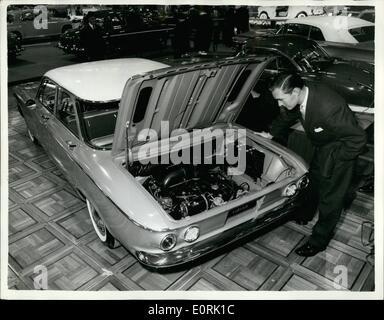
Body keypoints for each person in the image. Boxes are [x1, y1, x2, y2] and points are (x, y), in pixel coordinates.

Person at [256, 73, 367, 257]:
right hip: (324, 147)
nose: (279, 104)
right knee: (313, 181)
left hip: (339, 153)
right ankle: (304, 215)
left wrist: (337, 159)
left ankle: (319, 241)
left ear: (296, 92)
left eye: (281, 99)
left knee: (331, 199)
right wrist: (271, 133)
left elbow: (358, 139)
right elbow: (289, 114)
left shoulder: (329, 108)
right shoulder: (302, 91)